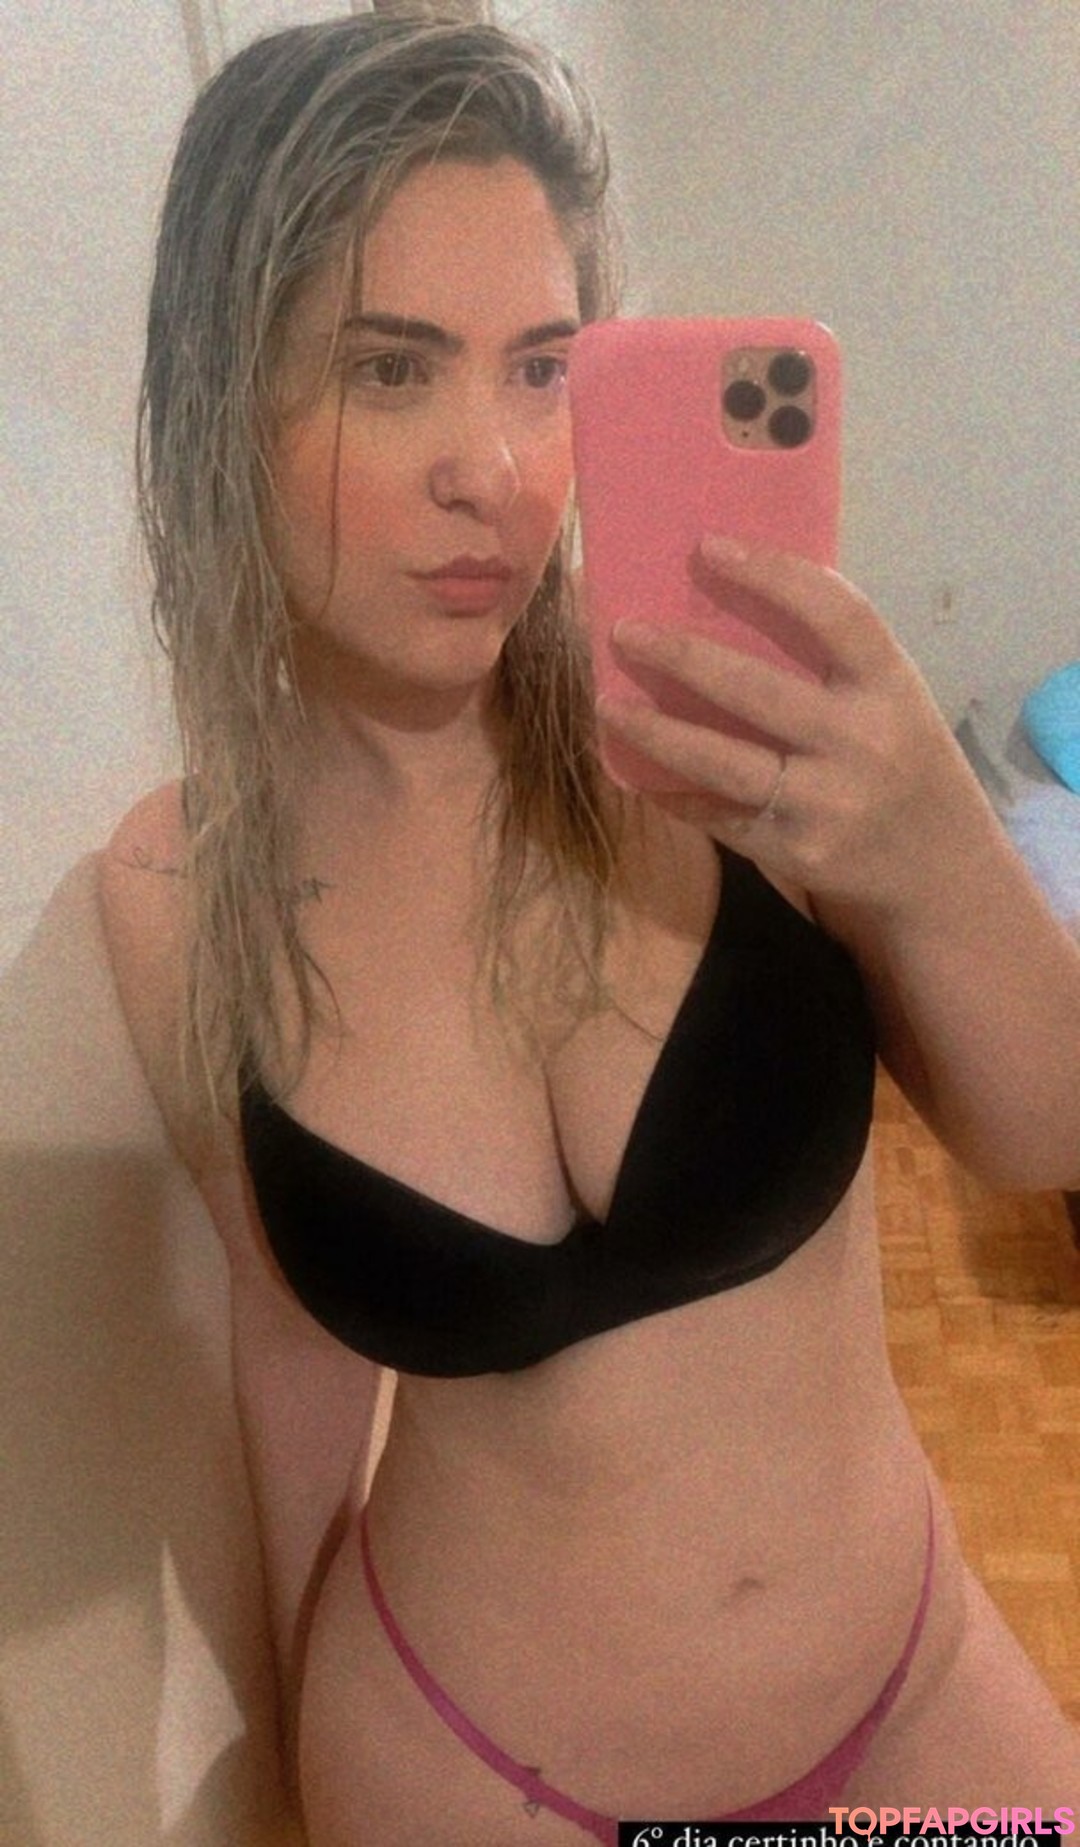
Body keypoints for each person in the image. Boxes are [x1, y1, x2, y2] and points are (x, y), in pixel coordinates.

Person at [96, 11, 1080, 1842]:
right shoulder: (173, 899)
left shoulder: (729, 726)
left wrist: (928, 836)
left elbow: (1050, 1132)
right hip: (471, 1783)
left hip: (907, 1691)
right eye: (391, 370)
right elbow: (294, 1348)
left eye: (542, 366)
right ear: (226, 401)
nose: (496, 466)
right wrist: (284, 1746)